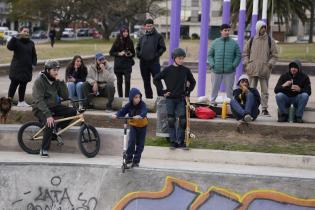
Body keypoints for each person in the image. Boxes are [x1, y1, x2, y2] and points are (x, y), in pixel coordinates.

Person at [32, 60, 77, 157]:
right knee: (50, 123)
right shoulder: (39, 81)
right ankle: (44, 149)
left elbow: (65, 96)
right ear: (47, 70)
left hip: (53, 106)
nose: (56, 72)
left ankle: (58, 128)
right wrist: (48, 115)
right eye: (54, 70)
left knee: (72, 111)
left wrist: (61, 82)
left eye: (57, 70)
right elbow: (39, 100)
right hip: (39, 108)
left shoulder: (55, 81)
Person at [154, 48, 196, 149]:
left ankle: (180, 141)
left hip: (181, 99)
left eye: (183, 58)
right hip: (170, 99)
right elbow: (156, 79)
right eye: (179, 58)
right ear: (174, 58)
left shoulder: (186, 70)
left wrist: (187, 92)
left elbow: (193, 82)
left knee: (182, 121)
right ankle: (173, 141)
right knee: (171, 120)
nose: (181, 60)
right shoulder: (168, 70)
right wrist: (163, 91)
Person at [243, 20, 278, 116]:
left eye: (264, 27)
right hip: (252, 70)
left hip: (264, 70)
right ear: (258, 28)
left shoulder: (270, 41)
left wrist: (269, 65)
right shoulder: (252, 40)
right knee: (250, 90)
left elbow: (275, 55)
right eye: (262, 27)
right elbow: (245, 53)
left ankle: (264, 109)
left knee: (265, 91)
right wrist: (247, 63)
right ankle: (250, 107)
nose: (263, 29)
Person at [112, 88, 148, 167]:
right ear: (131, 98)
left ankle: (136, 161)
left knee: (140, 144)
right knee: (131, 141)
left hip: (142, 126)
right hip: (133, 125)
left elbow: (144, 111)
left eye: (139, 97)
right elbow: (122, 111)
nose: (138, 99)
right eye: (136, 97)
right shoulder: (129, 105)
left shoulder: (142, 104)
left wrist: (140, 116)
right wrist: (116, 115)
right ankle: (128, 158)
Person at [208, 24, 241, 105]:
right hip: (216, 70)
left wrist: (233, 65)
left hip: (229, 71)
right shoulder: (215, 42)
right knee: (214, 88)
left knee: (229, 89)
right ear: (221, 31)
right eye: (225, 30)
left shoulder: (234, 43)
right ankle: (212, 102)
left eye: (228, 30)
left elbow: (238, 55)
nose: (227, 32)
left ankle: (231, 104)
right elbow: (210, 55)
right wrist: (213, 65)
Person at [7, 26, 37, 107]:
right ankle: (9, 101)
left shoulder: (31, 43)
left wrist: (33, 64)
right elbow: (9, 47)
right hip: (17, 68)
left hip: (27, 68)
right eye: (24, 31)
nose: (26, 33)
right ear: (20, 32)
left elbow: (34, 55)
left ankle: (21, 101)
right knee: (14, 84)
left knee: (23, 85)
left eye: (27, 32)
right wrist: (15, 37)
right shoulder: (16, 41)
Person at [136, 18, 166, 99]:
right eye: (147, 26)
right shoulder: (142, 37)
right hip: (143, 63)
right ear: (145, 27)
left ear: (153, 26)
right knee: (146, 82)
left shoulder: (158, 36)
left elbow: (163, 48)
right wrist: (139, 55)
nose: (149, 27)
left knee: (157, 81)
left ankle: (161, 98)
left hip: (154, 63)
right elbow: (137, 48)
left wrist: (156, 55)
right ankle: (149, 99)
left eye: (150, 26)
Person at [109, 26, 135, 98]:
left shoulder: (130, 41)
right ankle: (120, 97)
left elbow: (133, 53)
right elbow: (111, 52)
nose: (126, 33)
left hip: (127, 65)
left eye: (127, 32)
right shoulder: (116, 41)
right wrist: (118, 53)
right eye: (124, 32)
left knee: (127, 81)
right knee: (119, 82)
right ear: (121, 33)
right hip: (118, 65)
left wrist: (129, 54)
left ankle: (126, 98)